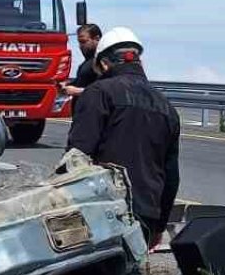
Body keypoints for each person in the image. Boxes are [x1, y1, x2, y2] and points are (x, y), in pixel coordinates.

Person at [66, 27, 181, 247]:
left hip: (101, 212)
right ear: (140, 63)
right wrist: (158, 227)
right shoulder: (167, 108)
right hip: (146, 215)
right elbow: (171, 176)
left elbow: (76, 158)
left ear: (104, 64)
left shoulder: (98, 93)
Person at [59, 23, 103, 99]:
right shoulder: (86, 63)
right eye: (79, 42)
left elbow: (103, 91)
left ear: (97, 39)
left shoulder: (102, 62)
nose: (80, 46)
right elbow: (83, 82)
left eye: (83, 41)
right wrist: (67, 84)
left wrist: (77, 91)